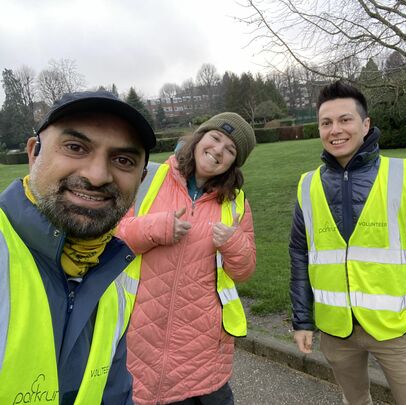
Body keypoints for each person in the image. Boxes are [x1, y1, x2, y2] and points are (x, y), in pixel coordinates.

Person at [289, 81, 406, 405]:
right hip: (336, 330)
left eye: (345, 119)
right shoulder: (307, 186)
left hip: (396, 328)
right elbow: (299, 254)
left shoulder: (402, 177)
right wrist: (303, 320)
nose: (335, 130)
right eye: (326, 122)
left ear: (365, 125)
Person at [0, 90, 156, 404]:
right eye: (75, 147)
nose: (97, 176)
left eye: (123, 160)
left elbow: (115, 392)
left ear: (139, 179)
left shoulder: (113, 273)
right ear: (34, 153)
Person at [116, 112, 257, 405]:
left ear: (234, 162)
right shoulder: (149, 177)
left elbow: (244, 270)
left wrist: (232, 243)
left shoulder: (236, 201)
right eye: (215, 138)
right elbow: (114, 238)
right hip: (141, 334)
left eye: (230, 150)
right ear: (200, 137)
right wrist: (158, 228)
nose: (218, 150)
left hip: (203, 343)